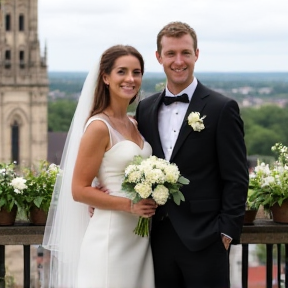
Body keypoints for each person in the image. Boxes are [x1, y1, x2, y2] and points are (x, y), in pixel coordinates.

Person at [136, 21, 249, 288]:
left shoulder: (222, 108)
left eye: (185, 52)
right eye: (171, 53)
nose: (179, 61)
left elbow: (237, 176)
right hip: (156, 239)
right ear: (158, 57)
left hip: (206, 240)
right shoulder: (145, 108)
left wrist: (226, 232)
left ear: (196, 54)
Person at [42, 45, 157, 288]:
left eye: (136, 72)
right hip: (110, 237)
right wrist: (130, 205)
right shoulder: (98, 126)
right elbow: (79, 190)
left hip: (138, 238)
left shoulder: (134, 123)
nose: (130, 79)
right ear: (105, 77)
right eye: (122, 72)